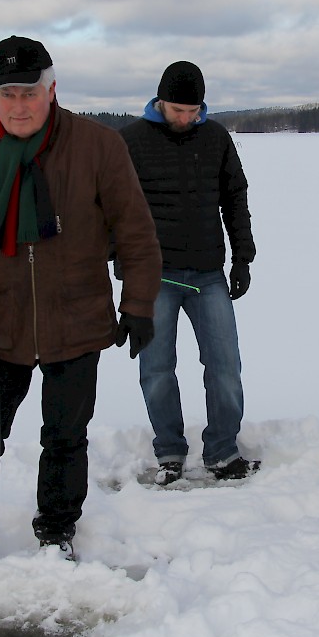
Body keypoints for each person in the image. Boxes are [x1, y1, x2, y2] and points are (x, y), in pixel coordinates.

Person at [0, 36, 161, 559]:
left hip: (77, 319)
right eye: (7, 93)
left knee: (64, 436)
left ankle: (56, 530)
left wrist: (139, 305)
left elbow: (135, 231)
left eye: (29, 92)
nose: (18, 105)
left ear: (51, 89)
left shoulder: (98, 146)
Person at [118, 61, 259, 485]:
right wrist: (120, 260)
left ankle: (222, 451)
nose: (185, 118)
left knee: (225, 367)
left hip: (207, 272)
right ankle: (170, 453)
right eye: (178, 110)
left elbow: (235, 196)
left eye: (193, 111)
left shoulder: (215, 137)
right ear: (159, 101)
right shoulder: (130, 141)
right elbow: (111, 207)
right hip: (153, 277)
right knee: (156, 369)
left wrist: (242, 257)